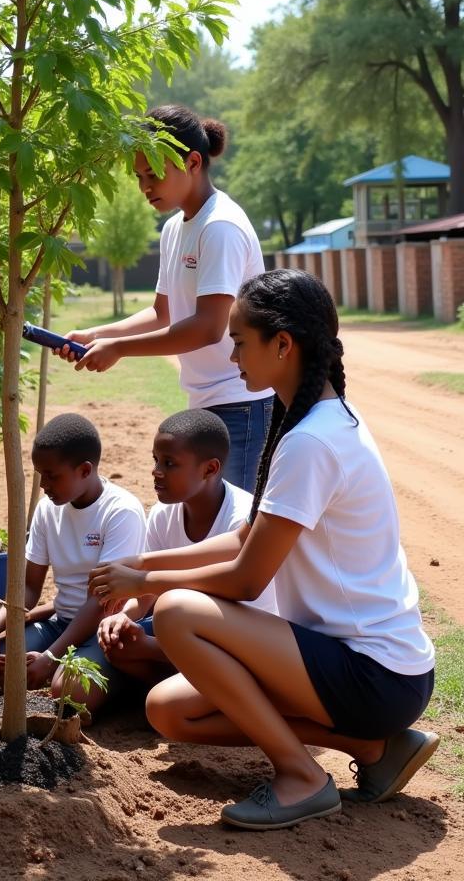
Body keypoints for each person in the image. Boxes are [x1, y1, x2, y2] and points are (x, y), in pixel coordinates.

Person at [88, 269, 438, 830]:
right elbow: (248, 537)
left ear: (283, 344)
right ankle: (373, 748)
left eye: (240, 343)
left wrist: (148, 586)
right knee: (170, 710)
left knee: (177, 612)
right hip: (365, 672)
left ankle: (300, 776)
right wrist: (144, 563)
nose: (232, 358)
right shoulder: (313, 421)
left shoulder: (310, 442)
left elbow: (247, 581)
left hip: (375, 674)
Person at [58, 105, 273, 491]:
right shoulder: (175, 227)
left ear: (192, 162)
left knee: (233, 525)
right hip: (207, 401)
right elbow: (163, 312)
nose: (145, 187)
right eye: (139, 176)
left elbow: (208, 328)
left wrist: (119, 348)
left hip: (242, 403)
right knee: (210, 521)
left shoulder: (219, 226)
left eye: (154, 174)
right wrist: (96, 335)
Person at [0, 414, 146, 717]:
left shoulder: (121, 512)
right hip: (61, 623)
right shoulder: (48, 510)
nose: (44, 486)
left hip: (102, 631)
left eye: (52, 476)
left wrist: (50, 657)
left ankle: (110, 679)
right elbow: (29, 587)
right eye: (39, 475)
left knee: (68, 694)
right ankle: (40, 669)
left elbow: (101, 603)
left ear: (85, 470)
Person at [98, 409, 277, 691]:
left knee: (153, 633)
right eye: (155, 460)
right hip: (187, 634)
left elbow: (247, 621)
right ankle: (180, 688)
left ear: (210, 469)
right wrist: (124, 616)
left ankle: (185, 687)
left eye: (169, 463)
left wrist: (149, 647)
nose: (156, 471)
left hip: (244, 645)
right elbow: (144, 596)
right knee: (119, 645)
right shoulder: (162, 515)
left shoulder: (241, 518)